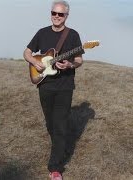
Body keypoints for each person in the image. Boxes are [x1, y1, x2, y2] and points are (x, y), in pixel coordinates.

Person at [23, 1, 84, 179]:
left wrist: (69, 64)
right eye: (54, 13)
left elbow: (79, 60)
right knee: (50, 122)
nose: (56, 17)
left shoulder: (73, 35)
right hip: (45, 85)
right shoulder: (42, 33)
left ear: (67, 16)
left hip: (65, 86)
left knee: (60, 124)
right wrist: (35, 62)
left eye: (61, 14)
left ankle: (55, 167)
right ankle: (57, 143)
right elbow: (27, 52)